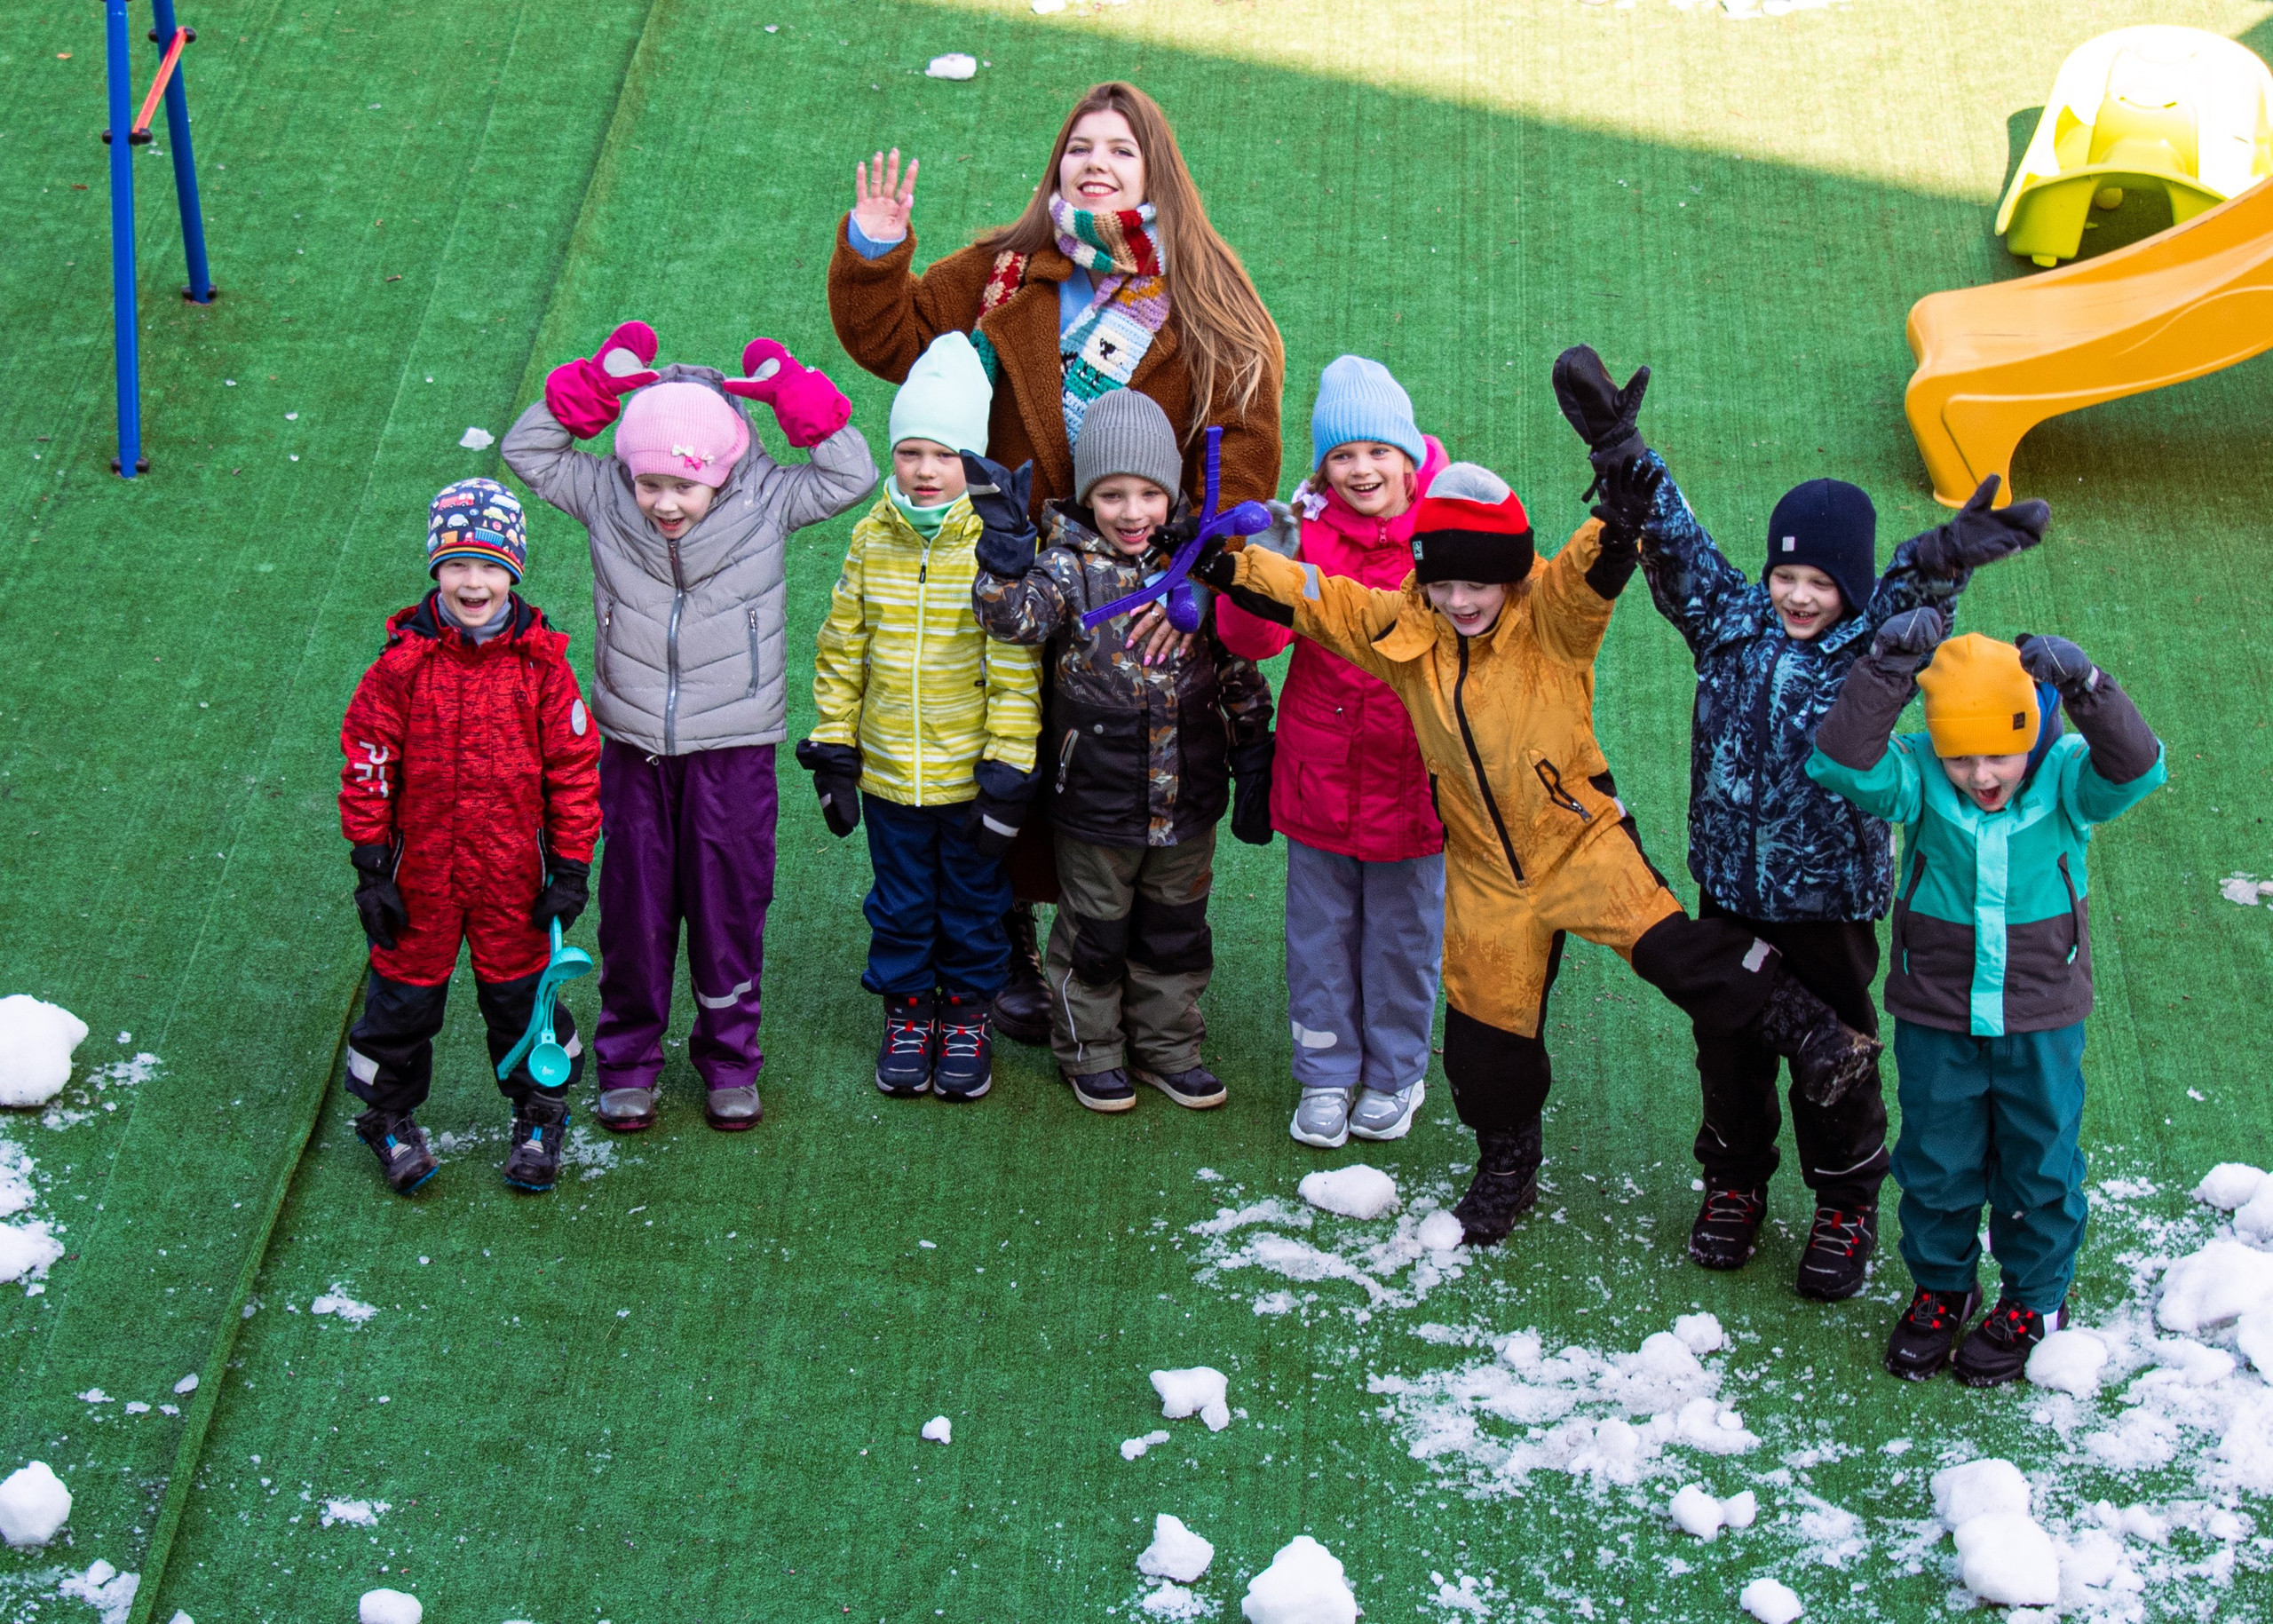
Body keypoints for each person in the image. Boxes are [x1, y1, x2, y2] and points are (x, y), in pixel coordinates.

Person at [1195, 458, 1885, 1247]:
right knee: (1486, 1046)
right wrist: (1226, 562)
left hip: (1581, 841)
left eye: (1479, 584)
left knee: (1679, 951)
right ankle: (1508, 1170)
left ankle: (1820, 1032)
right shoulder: (1403, 629)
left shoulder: (1549, 618)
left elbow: (1587, 574)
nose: (1461, 601)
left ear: (1512, 575)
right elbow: (1320, 599)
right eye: (1444, 584)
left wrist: (1619, 520)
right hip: (1488, 874)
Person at [1550, 346, 2047, 1300]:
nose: (1800, 593)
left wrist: (1943, 559)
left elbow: (1908, 591)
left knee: (1840, 1054)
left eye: (1821, 579)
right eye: (1788, 574)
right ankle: (1734, 1183)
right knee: (1727, 1047)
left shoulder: (1872, 641)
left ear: (1848, 586)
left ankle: (1845, 1199)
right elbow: (1675, 534)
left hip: (1827, 901)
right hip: (1732, 888)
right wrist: (1621, 446)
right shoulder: (1730, 619)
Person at [828, 79, 1284, 1050]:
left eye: (1120, 149)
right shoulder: (1004, 269)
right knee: (994, 750)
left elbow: (1242, 448)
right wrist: (875, 251)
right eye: (1081, 147)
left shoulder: (1209, 293)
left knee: (1090, 769)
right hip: (1001, 567)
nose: (1097, 163)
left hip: (1129, 585)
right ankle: (1002, 943)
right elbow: (894, 338)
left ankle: (1101, 960)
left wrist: (1199, 575)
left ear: (1156, 169)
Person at [502, 321, 876, 1132]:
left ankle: (730, 1058)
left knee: (727, 907)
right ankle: (628, 1058)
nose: (665, 502)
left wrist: (791, 397)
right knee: (634, 908)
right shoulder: (607, 495)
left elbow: (852, 468)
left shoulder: (768, 498)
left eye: (685, 485)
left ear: (723, 472)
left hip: (734, 750)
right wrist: (599, 385)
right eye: (651, 484)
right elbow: (528, 450)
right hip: (633, 749)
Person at [1807, 620, 2164, 1385]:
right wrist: (1887, 668)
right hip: (1938, 1010)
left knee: (2040, 1160)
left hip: (2041, 1015)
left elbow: (2137, 769)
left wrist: (2088, 688)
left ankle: (2033, 1301)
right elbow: (1839, 758)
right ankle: (1943, 1287)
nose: (1979, 773)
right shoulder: (1920, 774)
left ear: (2033, 730)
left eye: (1997, 753)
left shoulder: (2068, 773)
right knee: (1936, 1158)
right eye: (1960, 755)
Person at [966, 390, 1274, 1113]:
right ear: (1087, 496)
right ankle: (1090, 1051)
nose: (1132, 512)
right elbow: (1012, 620)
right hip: (1097, 799)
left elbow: (1236, 667)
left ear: (1171, 494)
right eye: (1111, 494)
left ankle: (1168, 1048)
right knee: (1095, 931)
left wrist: (1253, 746)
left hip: (1188, 796)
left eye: (1147, 494)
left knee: (1176, 932)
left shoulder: (1203, 566)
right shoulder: (1068, 567)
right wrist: (1005, 559)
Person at [338, 479, 600, 1196]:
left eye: (489, 565)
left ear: (513, 571)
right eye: (457, 564)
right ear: (436, 569)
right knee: (402, 1001)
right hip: (420, 873)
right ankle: (387, 1115)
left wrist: (571, 865)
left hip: (512, 874)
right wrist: (371, 863)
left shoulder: (542, 666)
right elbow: (368, 760)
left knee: (523, 996)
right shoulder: (401, 666)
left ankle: (541, 1110)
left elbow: (574, 771)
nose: (473, 581)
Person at [799, 332, 1042, 1102]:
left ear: (973, 461)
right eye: (910, 453)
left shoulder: (996, 548)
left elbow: (1013, 666)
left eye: (945, 454)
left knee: (974, 906)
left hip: (968, 777)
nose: (927, 470)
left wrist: (1008, 768)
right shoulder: (872, 538)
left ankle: (965, 1015)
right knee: (900, 902)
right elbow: (842, 648)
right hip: (889, 777)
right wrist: (836, 747)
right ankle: (909, 1015)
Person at [1215, 356, 1448, 1150]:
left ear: (1409, 457)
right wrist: (1265, 570)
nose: (1361, 470)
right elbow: (1255, 641)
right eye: (1343, 456)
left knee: (1404, 938)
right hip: (1320, 778)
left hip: (1417, 783)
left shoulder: (1445, 534)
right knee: (1320, 936)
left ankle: (1394, 1074)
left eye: (1378, 452)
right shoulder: (1307, 532)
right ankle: (1324, 1072)